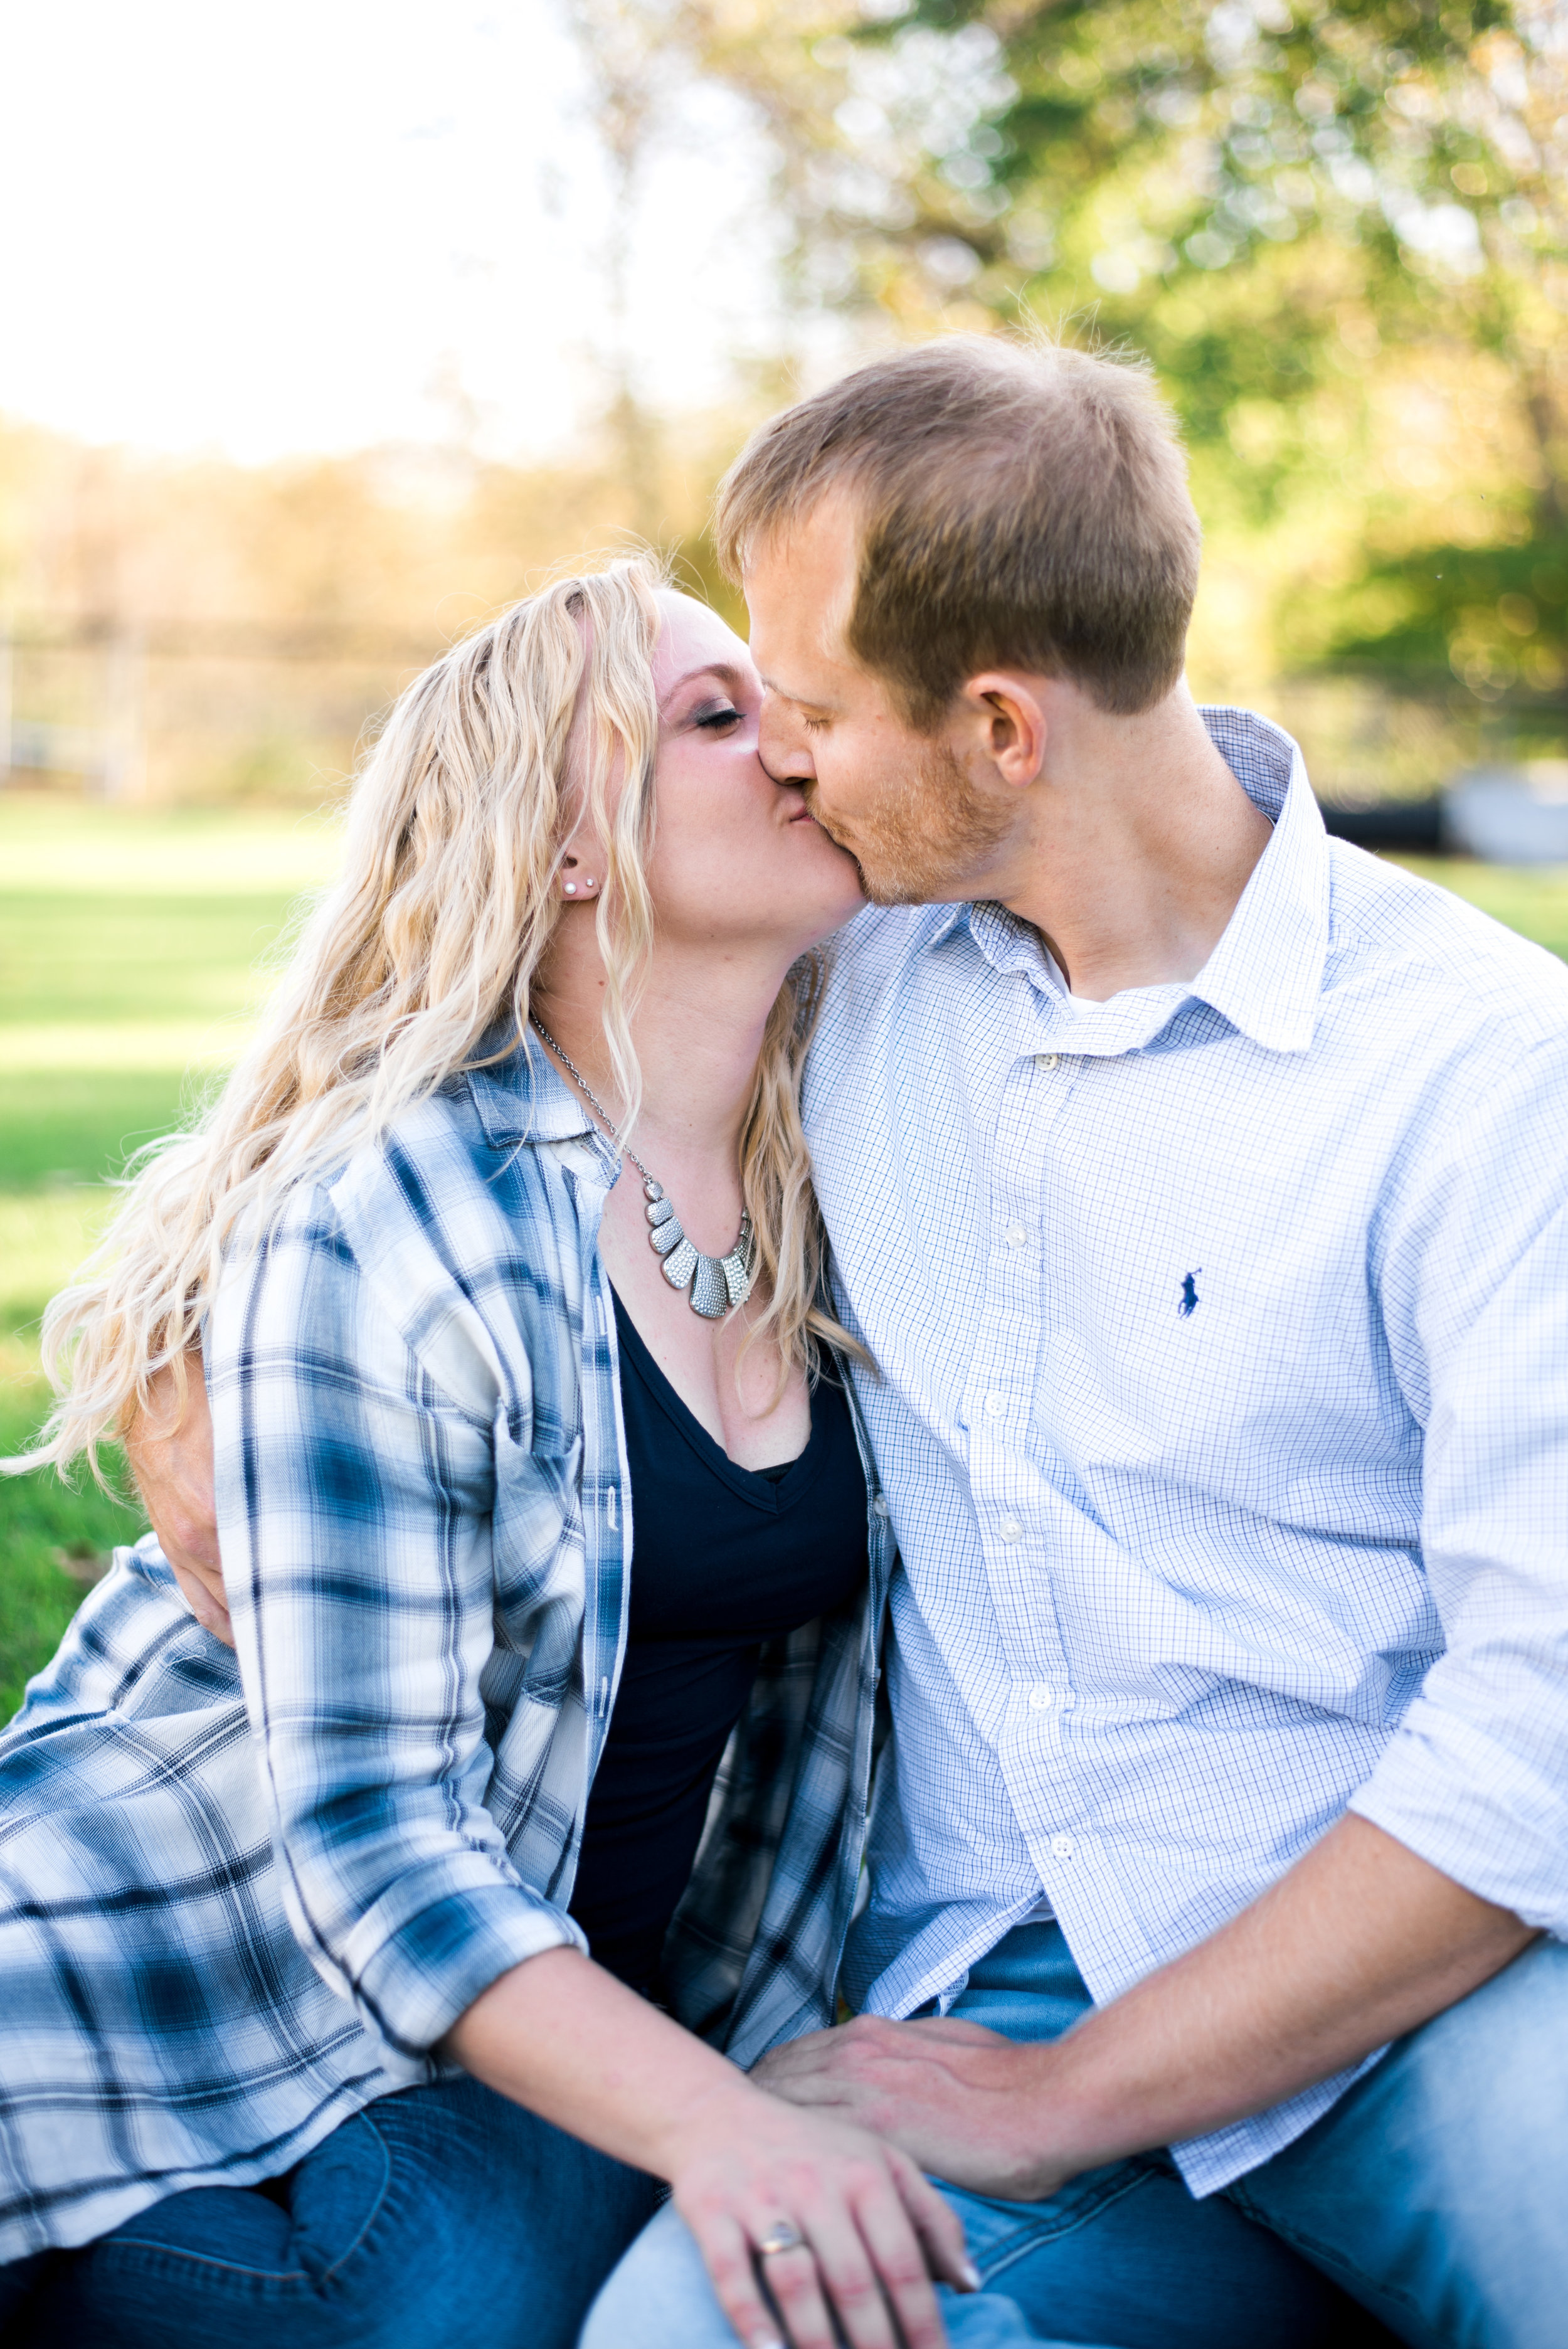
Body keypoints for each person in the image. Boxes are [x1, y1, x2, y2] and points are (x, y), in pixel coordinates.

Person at [578, 334, 1568, 2349]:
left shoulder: (1483, 1075)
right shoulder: (839, 976)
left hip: (1424, 1981)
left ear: (1003, 728)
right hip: (978, 1973)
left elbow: (1541, 1733)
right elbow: (438, 1053)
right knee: (681, 2343)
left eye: (823, 710)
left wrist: (1074, 2101)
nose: (784, 757)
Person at [0, 560, 1009, 2349]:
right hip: (187, 1955)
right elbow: (381, 1840)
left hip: (557, 2012)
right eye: (715, 716)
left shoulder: (864, 1133)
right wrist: (727, 2126)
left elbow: (1105, 773)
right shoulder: (401, 1217)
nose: (792, 748)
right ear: (560, 848)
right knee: (413, 2302)